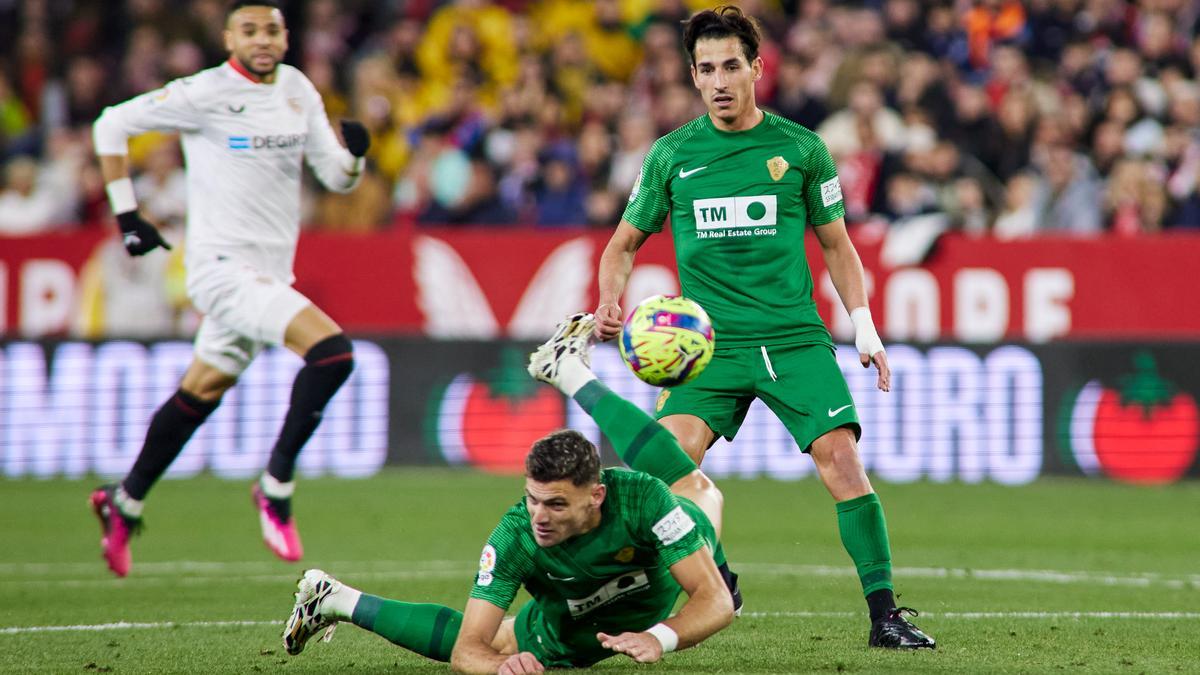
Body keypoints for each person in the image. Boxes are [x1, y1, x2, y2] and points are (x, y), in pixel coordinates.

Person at [593, 6, 934, 649]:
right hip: (707, 348)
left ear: (756, 68)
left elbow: (837, 245)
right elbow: (621, 246)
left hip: (791, 337)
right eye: (705, 70)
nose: (718, 81)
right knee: (663, 470)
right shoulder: (672, 155)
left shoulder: (801, 148)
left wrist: (863, 325)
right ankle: (717, 573)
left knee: (841, 462)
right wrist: (611, 300)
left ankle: (885, 614)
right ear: (693, 78)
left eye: (729, 66)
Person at [282, 314, 738, 673]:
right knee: (501, 641)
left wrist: (660, 637)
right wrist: (503, 666)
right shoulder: (515, 535)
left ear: (597, 496)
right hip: (572, 631)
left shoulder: (642, 498)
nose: (539, 515)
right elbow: (468, 652)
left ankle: (571, 374)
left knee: (698, 491)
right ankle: (335, 599)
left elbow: (716, 603)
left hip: (653, 593)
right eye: (533, 498)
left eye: (556, 504)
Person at [88, 0, 371, 577]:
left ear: (286, 38)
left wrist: (358, 158)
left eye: (271, 29)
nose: (262, 39)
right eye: (250, 30)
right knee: (334, 354)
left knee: (202, 389)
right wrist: (127, 214)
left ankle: (125, 498)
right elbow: (110, 123)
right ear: (228, 38)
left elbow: (335, 176)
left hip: (269, 274)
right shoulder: (204, 92)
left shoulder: (296, 89)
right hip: (221, 270)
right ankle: (276, 485)